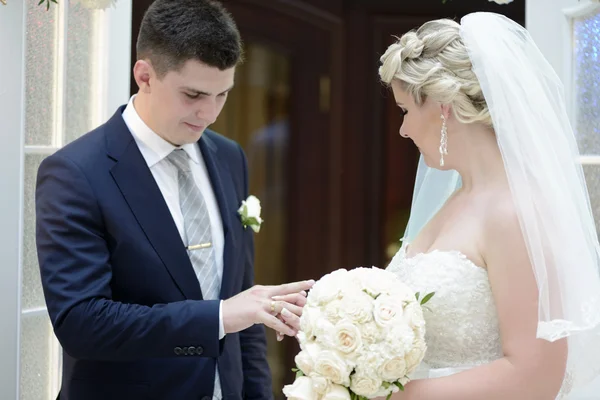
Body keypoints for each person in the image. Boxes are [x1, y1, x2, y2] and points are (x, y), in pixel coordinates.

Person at [35, 1, 313, 399]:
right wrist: (217, 317)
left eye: (223, 95)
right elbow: (82, 324)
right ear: (144, 75)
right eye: (193, 94)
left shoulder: (229, 156)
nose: (210, 113)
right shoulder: (76, 173)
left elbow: (242, 305)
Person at [379, 12, 600, 399]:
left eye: (406, 111)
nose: (403, 129)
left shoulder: (512, 214)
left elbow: (536, 375)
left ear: (442, 107)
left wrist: (397, 395)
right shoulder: (452, 201)